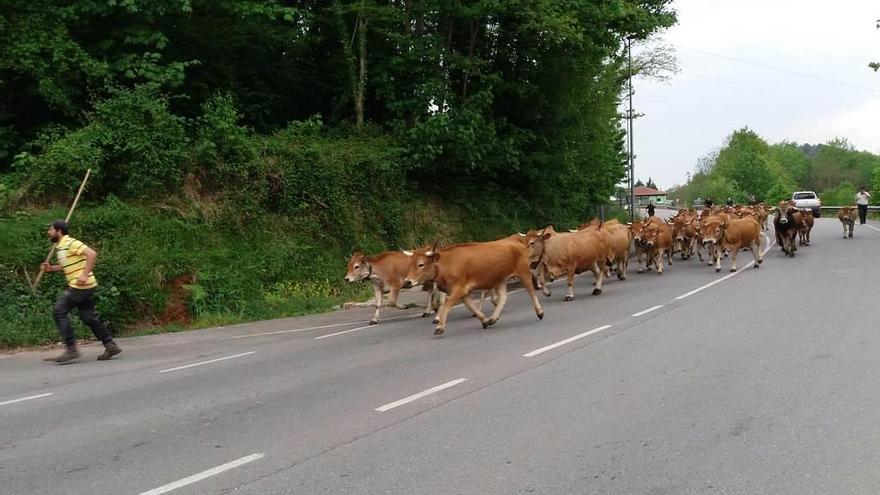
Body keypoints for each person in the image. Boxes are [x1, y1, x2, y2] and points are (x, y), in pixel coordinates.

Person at [41, 220, 121, 363]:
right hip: (84, 285)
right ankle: (110, 345)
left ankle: (71, 350)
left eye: (51, 230)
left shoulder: (70, 242)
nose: (48, 232)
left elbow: (92, 254)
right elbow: (65, 265)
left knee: (59, 311)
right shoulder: (61, 247)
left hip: (82, 285)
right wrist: (51, 268)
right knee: (88, 317)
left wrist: (84, 275)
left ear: (58, 231)